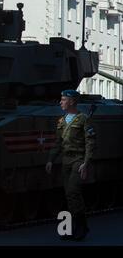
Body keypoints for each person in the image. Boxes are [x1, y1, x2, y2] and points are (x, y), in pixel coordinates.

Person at [45, 89, 96, 241]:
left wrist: (86, 163)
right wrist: (50, 159)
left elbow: (90, 142)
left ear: (72, 101)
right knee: (68, 195)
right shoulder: (62, 120)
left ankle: (81, 228)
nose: (60, 102)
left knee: (73, 192)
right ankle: (68, 229)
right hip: (65, 161)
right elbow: (58, 143)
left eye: (63, 99)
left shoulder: (83, 119)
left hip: (78, 160)